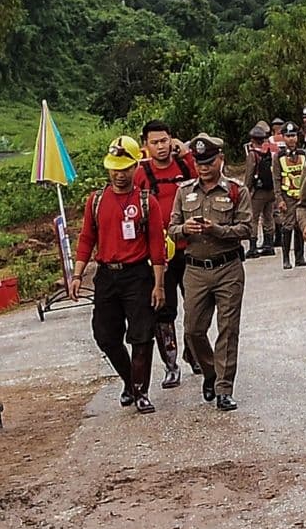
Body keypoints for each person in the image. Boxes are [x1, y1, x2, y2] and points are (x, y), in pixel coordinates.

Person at [71, 136, 166, 414]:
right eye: (115, 168)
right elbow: (87, 238)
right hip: (106, 276)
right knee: (105, 335)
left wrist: (158, 284)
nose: (119, 174)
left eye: (125, 168)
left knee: (141, 335)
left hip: (138, 274)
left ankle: (141, 391)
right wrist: (77, 275)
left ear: (136, 166)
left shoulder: (147, 202)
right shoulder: (96, 201)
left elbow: (157, 247)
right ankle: (130, 380)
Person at [167, 134, 251, 411]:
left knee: (228, 330)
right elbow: (172, 228)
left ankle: (224, 389)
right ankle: (212, 372)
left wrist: (217, 230)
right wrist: (184, 230)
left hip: (227, 267)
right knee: (193, 330)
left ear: (220, 160)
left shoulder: (236, 191)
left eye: (209, 161)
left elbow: (246, 229)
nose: (203, 167)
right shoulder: (184, 192)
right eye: (199, 162)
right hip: (195, 270)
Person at [138, 120, 198, 389]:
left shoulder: (185, 165)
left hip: (191, 248)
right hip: (159, 255)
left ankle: (194, 353)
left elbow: (203, 181)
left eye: (165, 141)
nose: (161, 147)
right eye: (155, 142)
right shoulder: (141, 174)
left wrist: (185, 152)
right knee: (164, 309)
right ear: (145, 146)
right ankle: (171, 366)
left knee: (196, 306)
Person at [275, 122, 306, 269]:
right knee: (288, 226)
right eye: (288, 136)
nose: (291, 139)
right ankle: (286, 258)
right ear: (283, 137)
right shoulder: (279, 156)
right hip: (287, 196)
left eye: (293, 136)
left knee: (299, 226)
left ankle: (300, 257)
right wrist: (279, 199)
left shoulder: (303, 153)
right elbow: (276, 178)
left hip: (301, 195)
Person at [245, 121, 278, 258]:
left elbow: (249, 173)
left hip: (258, 191)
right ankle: (269, 244)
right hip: (271, 189)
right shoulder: (271, 151)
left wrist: (246, 189)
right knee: (268, 217)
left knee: (253, 218)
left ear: (253, 139)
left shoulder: (253, 154)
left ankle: (253, 247)